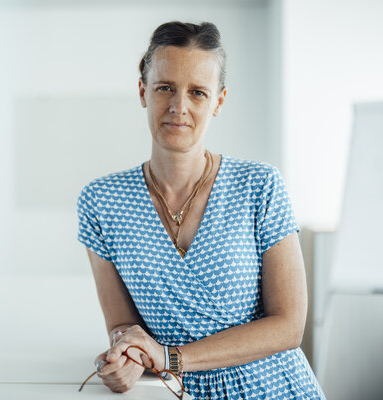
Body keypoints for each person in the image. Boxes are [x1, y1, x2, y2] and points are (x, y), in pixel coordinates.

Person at [76, 21, 326, 399]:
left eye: (197, 92)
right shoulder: (101, 202)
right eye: (165, 88)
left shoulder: (260, 186)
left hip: (276, 388)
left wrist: (171, 357)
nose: (179, 107)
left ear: (218, 101)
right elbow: (124, 323)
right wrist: (126, 354)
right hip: (174, 393)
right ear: (143, 91)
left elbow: (289, 326)